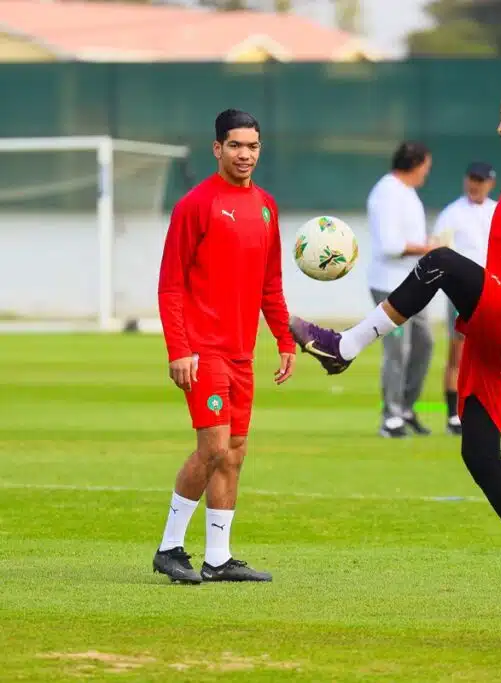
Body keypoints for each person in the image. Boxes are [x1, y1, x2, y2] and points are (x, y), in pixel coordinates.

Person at [289, 80, 501, 618]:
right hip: (492, 328)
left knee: (440, 262)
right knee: (478, 453)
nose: (500, 126)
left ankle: (345, 345)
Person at [153, 109, 295, 584]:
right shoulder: (196, 205)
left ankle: (218, 558)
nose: (244, 154)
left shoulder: (267, 207)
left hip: (241, 353)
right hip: (203, 352)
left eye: (252, 146)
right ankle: (169, 547)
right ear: (217, 148)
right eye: (235, 145)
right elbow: (171, 285)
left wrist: (284, 338)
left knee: (233, 452)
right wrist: (179, 349)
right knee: (212, 447)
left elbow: (270, 283)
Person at [366, 140, 436, 438]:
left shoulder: (407, 192)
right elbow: (390, 245)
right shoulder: (387, 193)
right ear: (416, 164)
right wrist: (428, 249)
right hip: (389, 286)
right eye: (426, 167)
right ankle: (391, 418)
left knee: (424, 343)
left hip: (413, 283)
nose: (426, 173)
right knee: (397, 350)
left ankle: (406, 407)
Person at [432, 161, 498, 435]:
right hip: (462, 290)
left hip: (493, 289)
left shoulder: (497, 211)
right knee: (458, 351)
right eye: (472, 179)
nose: (475, 185)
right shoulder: (452, 214)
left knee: (490, 354)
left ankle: (484, 410)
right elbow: (438, 250)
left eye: (480, 180)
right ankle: (453, 415)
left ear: (490, 183)